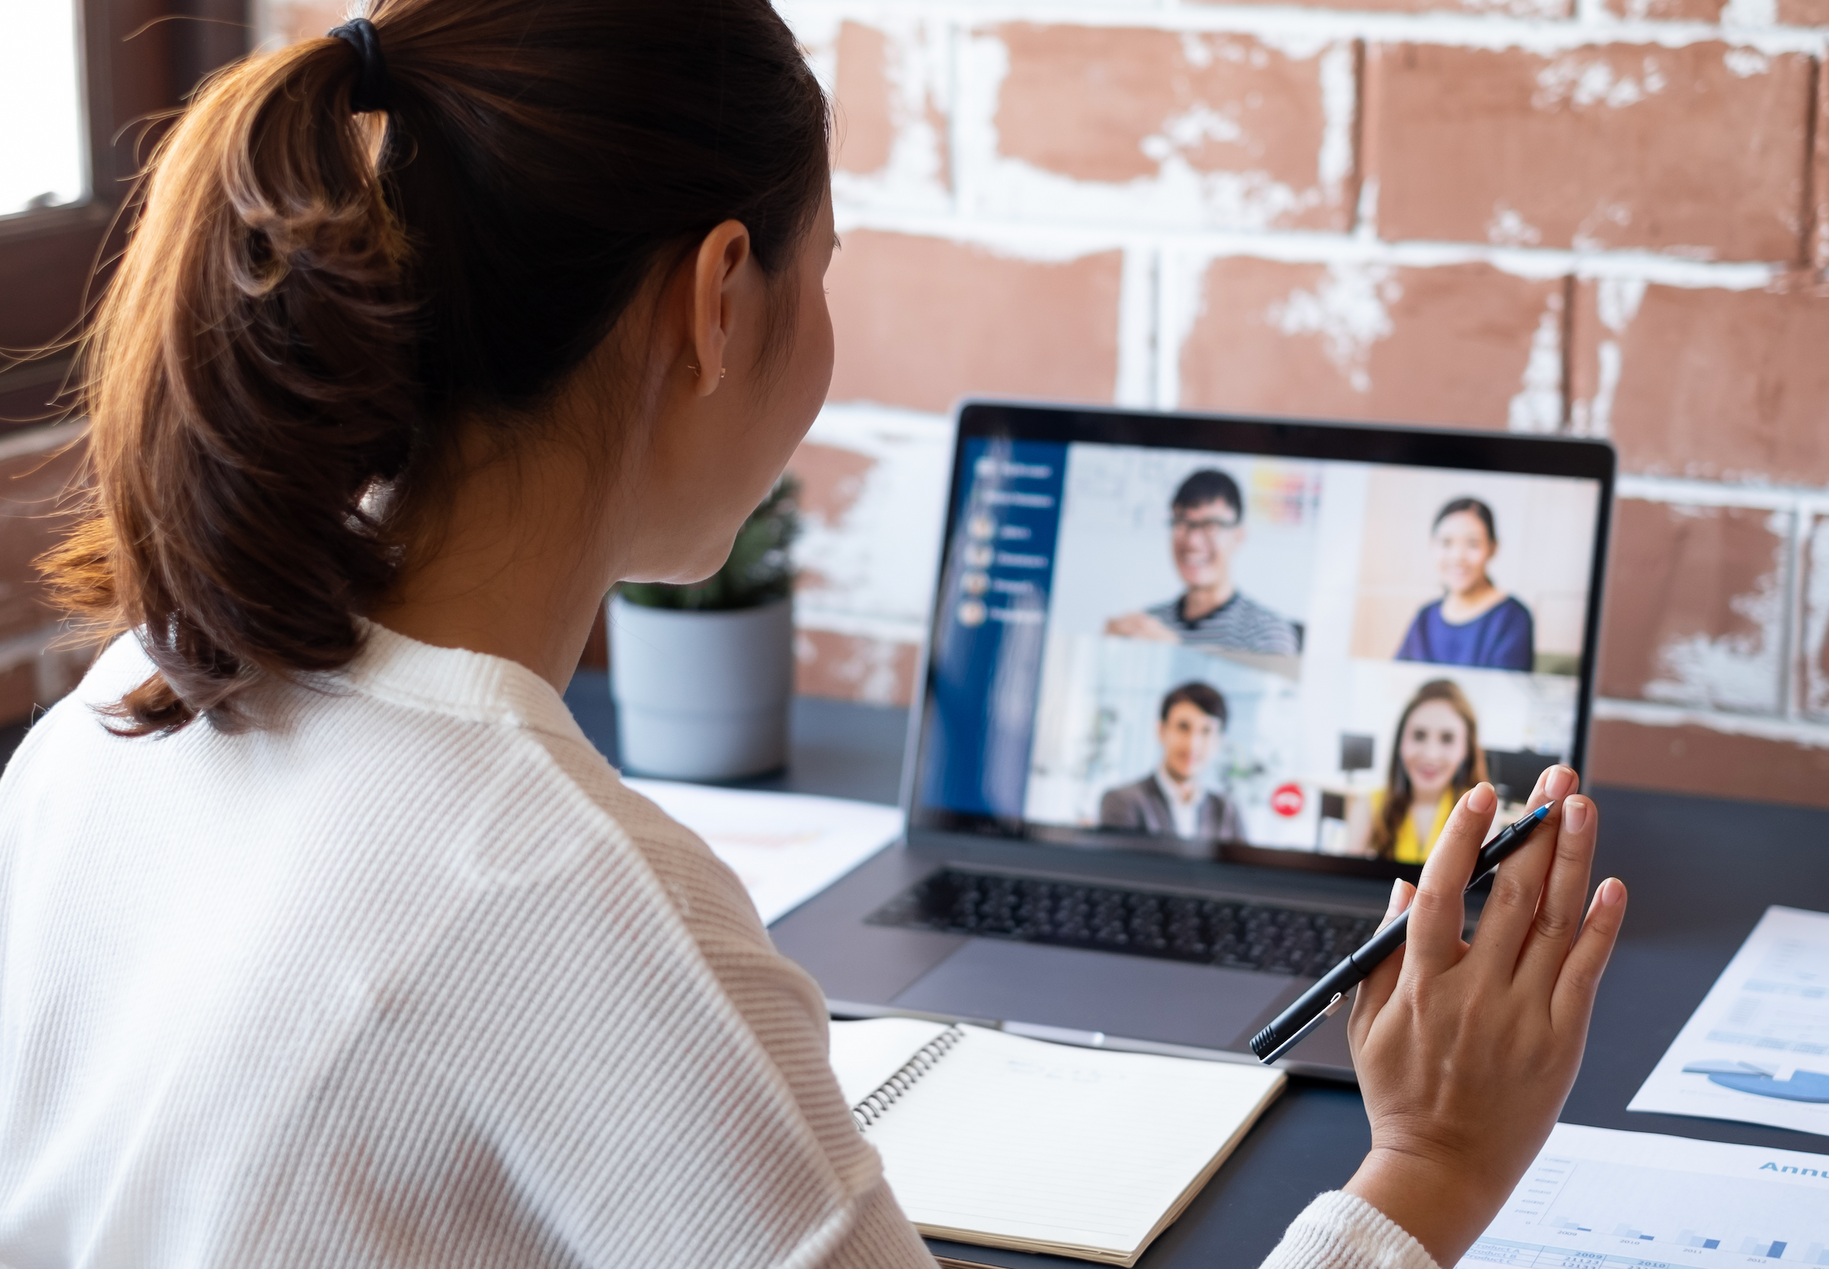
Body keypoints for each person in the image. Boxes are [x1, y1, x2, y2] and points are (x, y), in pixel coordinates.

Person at [0, 2, 1626, 1266]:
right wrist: (1426, 1169)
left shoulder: (110, 719)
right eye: (824, 266)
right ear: (720, 296)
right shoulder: (556, 899)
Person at [1105, 468, 1304, 656]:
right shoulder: (1148, 624)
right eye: (1182, 523)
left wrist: (1172, 654)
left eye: (1210, 525)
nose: (1192, 540)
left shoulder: (1266, 632)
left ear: (1238, 536)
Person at [1349, 680, 1490, 865]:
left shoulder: (1480, 811)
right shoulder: (1369, 806)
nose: (1431, 754)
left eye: (1447, 739)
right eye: (1418, 735)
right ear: (1401, 742)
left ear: (1466, 749)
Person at [1395, 497, 1535, 671]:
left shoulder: (1512, 618)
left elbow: (1504, 694)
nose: (1458, 556)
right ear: (1432, 545)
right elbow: (1396, 681)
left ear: (1493, 548)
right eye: (1446, 543)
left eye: (1473, 544)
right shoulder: (1425, 616)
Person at [1099, 681, 1246, 845]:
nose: (1192, 744)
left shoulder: (1227, 812)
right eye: (1183, 727)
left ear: (1218, 741)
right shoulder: (1124, 802)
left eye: (1206, 731)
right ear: (1161, 730)